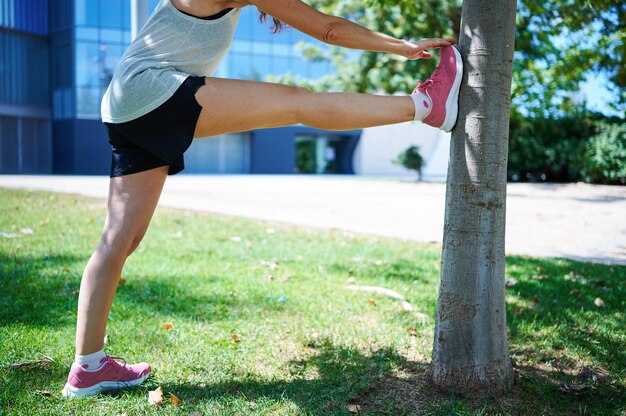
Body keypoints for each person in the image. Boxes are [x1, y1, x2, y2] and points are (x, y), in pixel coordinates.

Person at [61, 0, 462, 398]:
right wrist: (403, 46)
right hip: (152, 89)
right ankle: (426, 105)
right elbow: (330, 30)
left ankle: (88, 367)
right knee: (297, 101)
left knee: (119, 239)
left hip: (125, 103)